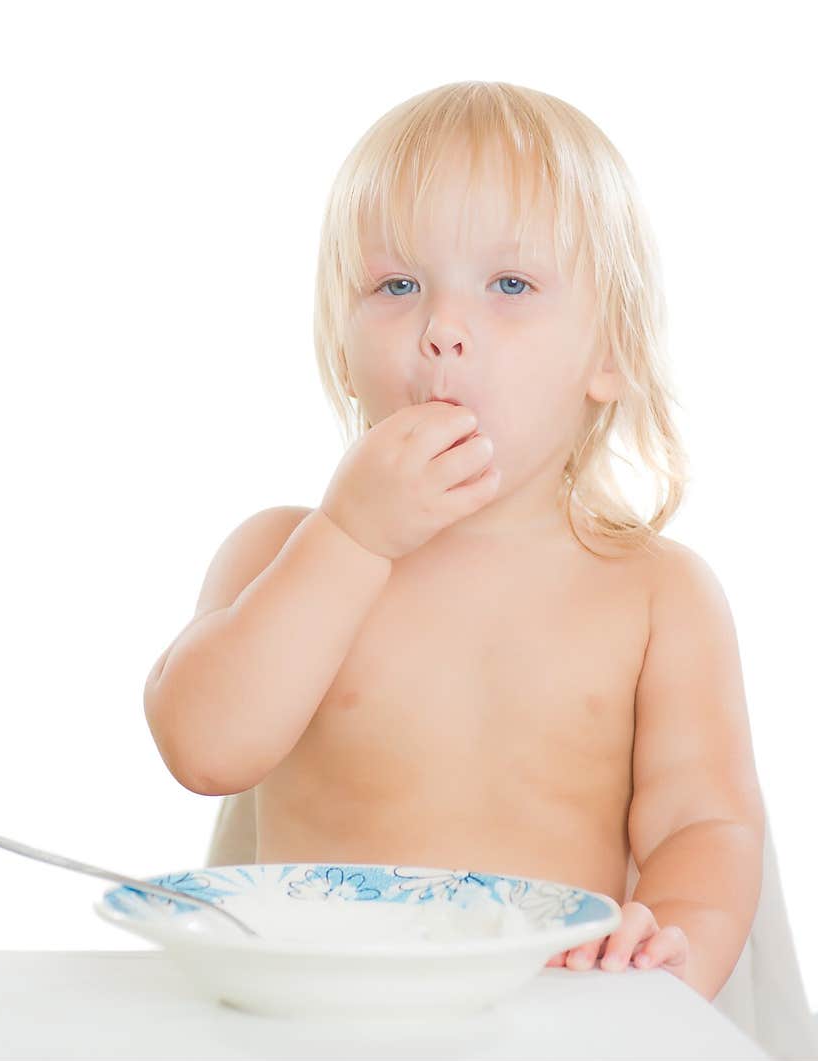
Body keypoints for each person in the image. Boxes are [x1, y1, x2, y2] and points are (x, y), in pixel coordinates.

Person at [143, 80, 765, 1002]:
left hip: (542, 1020)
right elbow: (204, 749)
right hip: (312, 1017)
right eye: (396, 286)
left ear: (611, 354)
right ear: (342, 342)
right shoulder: (283, 552)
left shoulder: (654, 594)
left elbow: (703, 828)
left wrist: (663, 965)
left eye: (510, 285)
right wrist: (350, 537)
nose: (442, 332)